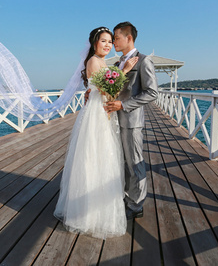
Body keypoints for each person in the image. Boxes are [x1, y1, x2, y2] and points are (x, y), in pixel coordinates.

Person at [54, 27, 137, 239]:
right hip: (95, 116)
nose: (108, 45)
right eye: (104, 41)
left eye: (111, 41)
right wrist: (125, 70)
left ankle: (99, 209)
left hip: (101, 112)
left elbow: (105, 88)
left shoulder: (103, 62)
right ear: (94, 44)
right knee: (94, 157)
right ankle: (86, 212)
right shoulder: (93, 61)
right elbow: (105, 88)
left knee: (103, 158)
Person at [105, 22, 158, 219]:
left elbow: (152, 92)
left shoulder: (144, 61)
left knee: (135, 162)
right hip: (115, 120)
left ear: (129, 38)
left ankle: (137, 206)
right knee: (123, 162)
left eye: (116, 38)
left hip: (131, 120)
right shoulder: (119, 63)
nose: (113, 42)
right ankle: (127, 197)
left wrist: (124, 105)